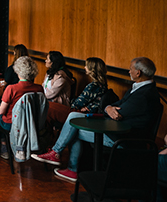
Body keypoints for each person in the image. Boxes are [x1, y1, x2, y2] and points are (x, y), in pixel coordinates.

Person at [32, 57, 161, 184]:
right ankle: (57, 153)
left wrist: (109, 109)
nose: (129, 71)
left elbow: (118, 113)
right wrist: (108, 107)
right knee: (72, 118)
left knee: (73, 128)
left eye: (131, 69)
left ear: (138, 73)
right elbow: (116, 105)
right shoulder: (139, 88)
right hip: (114, 129)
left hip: (122, 138)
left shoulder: (144, 95)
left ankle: (70, 167)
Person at [0, 56, 44, 159]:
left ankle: (3, 147)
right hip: (32, 124)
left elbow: (1, 111)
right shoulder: (39, 89)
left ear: (17, 71)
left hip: (13, 125)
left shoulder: (11, 88)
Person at [47, 57, 108, 127]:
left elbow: (76, 104)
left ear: (92, 69)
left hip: (81, 114)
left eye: (86, 66)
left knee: (49, 107)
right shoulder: (102, 85)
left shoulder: (93, 86)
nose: (84, 67)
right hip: (85, 112)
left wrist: (79, 104)